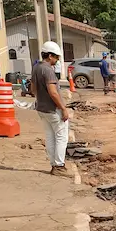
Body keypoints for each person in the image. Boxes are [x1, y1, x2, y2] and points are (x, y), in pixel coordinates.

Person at [32, 41, 71, 175]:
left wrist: (40, 98)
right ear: (49, 56)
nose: (57, 60)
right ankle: (59, 166)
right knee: (61, 136)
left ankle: (54, 164)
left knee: (50, 137)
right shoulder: (48, 70)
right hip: (52, 109)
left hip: (42, 108)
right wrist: (63, 108)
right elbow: (53, 92)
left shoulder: (36, 67)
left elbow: (33, 88)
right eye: (56, 57)